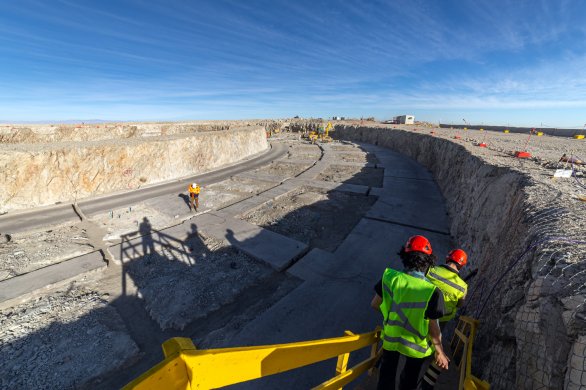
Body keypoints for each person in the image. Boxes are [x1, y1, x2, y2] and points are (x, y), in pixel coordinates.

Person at [371, 235, 449, 390]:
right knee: (409, 379)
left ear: (405, 257)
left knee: (386, 376)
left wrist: (391, 316)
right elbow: (434, 328)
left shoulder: (390, 278)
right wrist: (440, 352)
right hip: (416, 346)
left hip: (391, 337)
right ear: (428, 263)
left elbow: (375, 304)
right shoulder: (432, 291)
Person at [421, 249, 468, 390]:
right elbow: (460, 304)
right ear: (461, 266)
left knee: (422, 330)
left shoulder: (432, 270)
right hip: (443, 317)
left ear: (448, 258)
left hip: (423, 312)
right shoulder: (463, 286)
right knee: (436, 335)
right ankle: (431, 353)